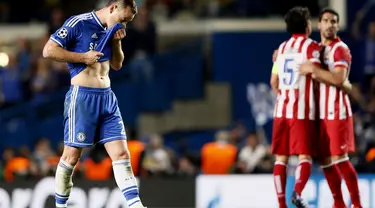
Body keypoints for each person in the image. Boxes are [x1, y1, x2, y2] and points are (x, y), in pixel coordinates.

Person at [42, 0, 147, 208]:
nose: (124, 25)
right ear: (112, 8)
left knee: (121, 153)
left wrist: (117, 42)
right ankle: (60, 205)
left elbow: (117, 65)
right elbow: (48, 51)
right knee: (71, 156)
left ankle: (135, 205)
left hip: (107, 97)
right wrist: (83, 57)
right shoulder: (78, 23)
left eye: (128, 22)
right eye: (123, 19)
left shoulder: (113, 28)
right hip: (82, 97)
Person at [300, 8, 362, 208]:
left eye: (334, 21)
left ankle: (358, 204)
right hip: (319, 113)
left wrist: (314, 70)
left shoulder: (340, 49)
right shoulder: (317, 49)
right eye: (326, 21)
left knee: (340, 158)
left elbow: (338, 78)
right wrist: (279, 58)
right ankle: (338, 203)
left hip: (336, 110)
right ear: (319, 25)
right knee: (324, 159)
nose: (330, 24)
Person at [270, 6, 321, 208]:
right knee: (304, 155)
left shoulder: (281, 49)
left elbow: (273, 81)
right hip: (301, 110)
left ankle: (281, 204)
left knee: (280, 158)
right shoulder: (312, 47)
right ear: (307, 25)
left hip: (281, 110)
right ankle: (297, 192)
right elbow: (319, 75)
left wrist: (284, 96)